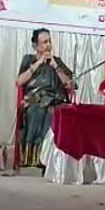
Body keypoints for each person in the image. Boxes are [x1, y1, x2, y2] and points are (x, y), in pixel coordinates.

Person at [16, 28, 75, 167]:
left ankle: (46, 158)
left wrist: (55, 66)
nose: (48, 45)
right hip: (33, 100)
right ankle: (31, 157)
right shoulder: (28, 60)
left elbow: (70, 85)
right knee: (36, 110)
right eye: (44, 42)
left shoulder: (57, 62)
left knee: (52, 112)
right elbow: (19, 81)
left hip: (54, 101)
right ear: (35, 45)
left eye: (49, 42)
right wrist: (39, 63)